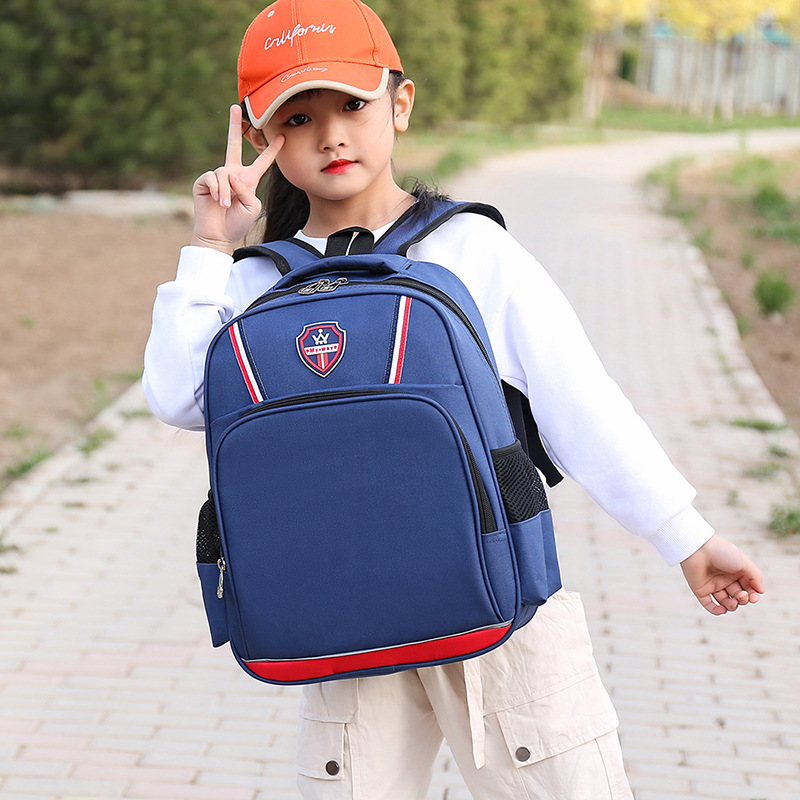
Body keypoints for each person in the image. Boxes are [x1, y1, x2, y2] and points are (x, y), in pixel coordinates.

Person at [142, 0, 765, 797]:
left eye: (352, 105)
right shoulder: (254, 281)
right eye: (297, 118)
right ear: (261, 137)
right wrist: (210, 243)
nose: (330, 135)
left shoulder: (470, 248)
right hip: (345, 624)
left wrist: (686, 537)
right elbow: (177, 396)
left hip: (500, 610)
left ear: (400, 103)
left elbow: (580, 401)